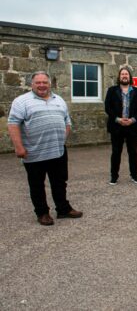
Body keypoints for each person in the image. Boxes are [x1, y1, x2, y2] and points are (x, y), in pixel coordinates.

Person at [7, 71, 83, 226]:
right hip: (34, 152)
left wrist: (62, 137)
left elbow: (67, 121)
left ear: (50, 84)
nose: (42, 85)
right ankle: (42, 213)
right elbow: (13, 123)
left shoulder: (59, 99)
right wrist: (18, 147)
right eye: (38, 82)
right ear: (32, 84)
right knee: (37, 184)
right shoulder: (21, 101)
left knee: (60, 182)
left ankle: (63, 209)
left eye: (45, 82)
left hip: (58, 151)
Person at [104, 66, 137, 185]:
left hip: (133, 127)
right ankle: (114, 176)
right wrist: (118, 119)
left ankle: (134, 175)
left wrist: (132, 120)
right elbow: (108, 107)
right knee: (116, 152)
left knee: (133, 152)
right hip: (117, 126)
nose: (124, 76)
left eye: (126, 74)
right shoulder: (112, 90)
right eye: (122, 74)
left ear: (130, 77)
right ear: (119, 77)